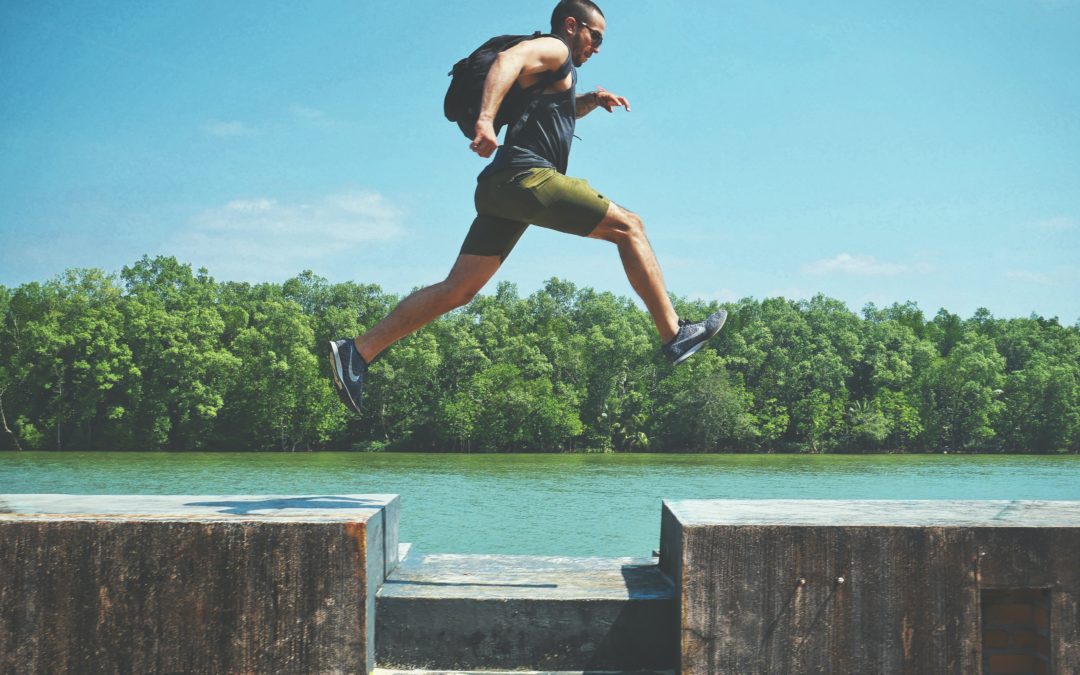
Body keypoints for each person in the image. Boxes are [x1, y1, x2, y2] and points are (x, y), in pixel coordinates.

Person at [329, 0, 726, 414]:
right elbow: (507, 59)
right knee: (630, 226)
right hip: (525, 178)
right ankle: (675, 333)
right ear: (572, 26)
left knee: (458, 289)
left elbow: (553, 113)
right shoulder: (553, 48)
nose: (598, 48)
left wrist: (588, 100)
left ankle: (358, 351)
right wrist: (485, 121)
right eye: (596, 37)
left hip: (500, 190)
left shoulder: (553, 76)